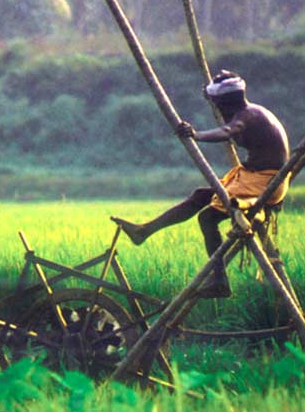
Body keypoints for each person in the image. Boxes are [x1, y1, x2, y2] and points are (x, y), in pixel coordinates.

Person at [111, 70, 290, 298]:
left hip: (265, 182)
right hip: (253, 176)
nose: (217, 109)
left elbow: (227, 131)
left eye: (217, 104)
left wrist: (196, 135)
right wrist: (209, 91)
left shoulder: (248, 117)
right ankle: (144, 231)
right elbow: (226, 121)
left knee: (207, 217)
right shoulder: (247, 111)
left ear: (225, 103)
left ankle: (219, 280)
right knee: (200, 195)